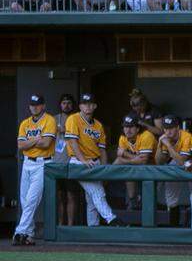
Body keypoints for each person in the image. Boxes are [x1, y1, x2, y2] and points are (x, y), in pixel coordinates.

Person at [64, 93, 123, 227]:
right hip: (79, 162)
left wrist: (104, 168)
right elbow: (73, 142)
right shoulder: (73, 119)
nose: (87, 106)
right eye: (85, 103)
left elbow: (102, 150)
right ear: (80, 106)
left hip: (94, 162)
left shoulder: (98, 125)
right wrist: (83, 160)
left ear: (95, 106)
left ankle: (93, 228)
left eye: (90, 103)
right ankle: (112, 219)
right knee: (98, 192)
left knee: (91, 200)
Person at [13, 94, 56, 245]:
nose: (34, 107)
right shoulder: (25, 123)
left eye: (37, 104)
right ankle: (29, 235)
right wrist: (37, 139)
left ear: (43, 106)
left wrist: (30, 142)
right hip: (27, 163)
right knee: (25, 200)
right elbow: (20, 146)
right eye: (32, 105)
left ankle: (20, 232)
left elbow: (46, 144)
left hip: (43, 163)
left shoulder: (49, 120)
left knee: (32, 199)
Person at [154, 114, 191, 227]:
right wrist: (160, 145)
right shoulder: (165, 138)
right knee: (170, 196)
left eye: (171, 128)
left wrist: (169, 146)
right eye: (165, 128)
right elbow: (159, 161)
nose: (168, 131)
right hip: (178, 162)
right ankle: (173, 226)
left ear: (177, 127)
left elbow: (182, 162)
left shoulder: (186, 137)